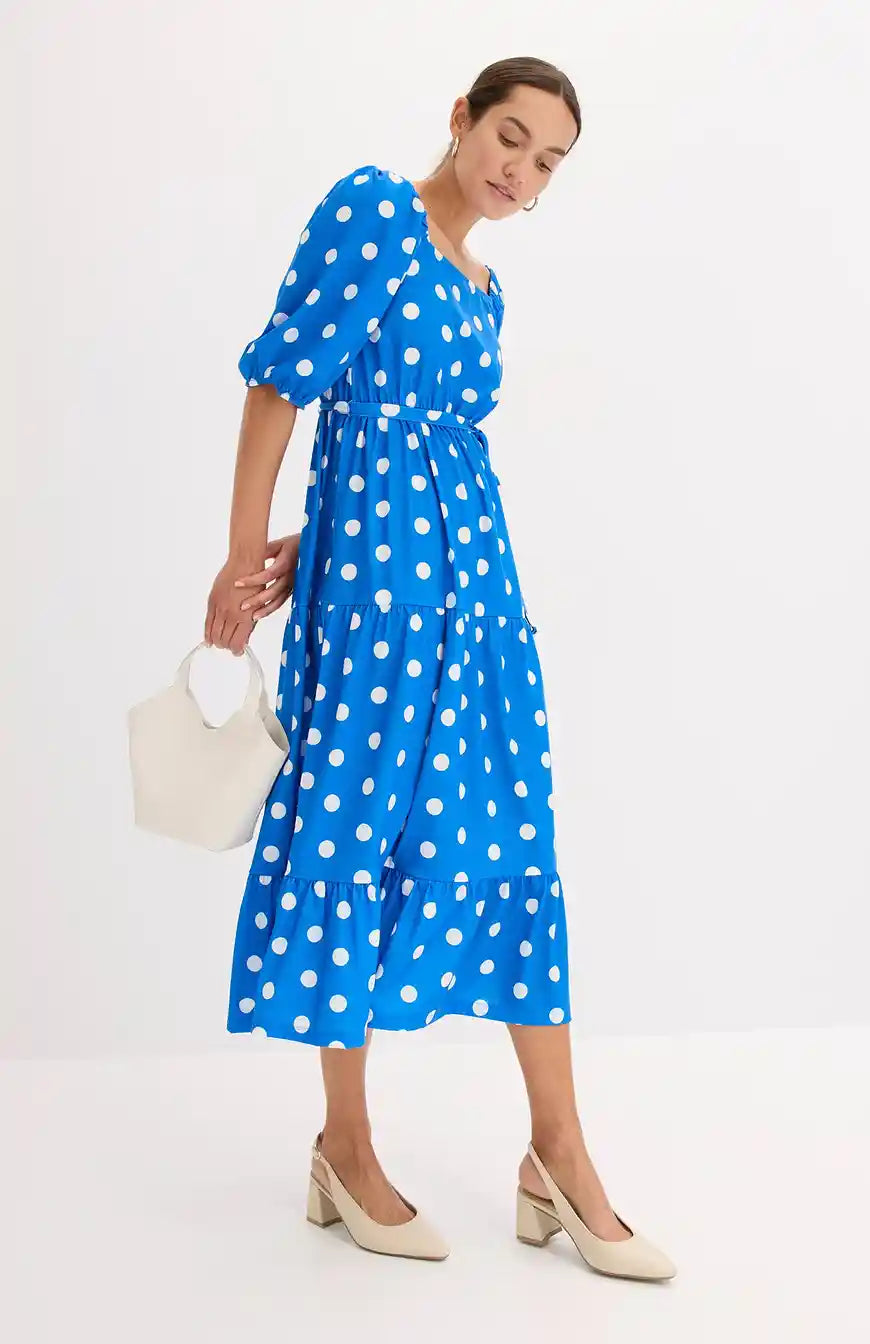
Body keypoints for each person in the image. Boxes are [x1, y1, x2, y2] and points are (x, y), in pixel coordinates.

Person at [204, 56, 676, 1280]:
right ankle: (345, 1146)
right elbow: (282, 382)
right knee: (355, 831)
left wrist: (314, 532)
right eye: (510, 138)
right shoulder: (375, 211)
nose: (522, 172)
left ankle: (556, 1155)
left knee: (514, 835)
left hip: (479, 598)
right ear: (461, 120)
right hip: (377, 606)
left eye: (548, 162)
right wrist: (246, 555)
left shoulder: (484, 292)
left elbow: (418, 449)